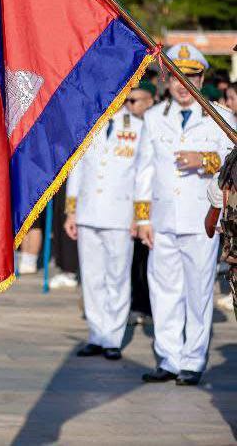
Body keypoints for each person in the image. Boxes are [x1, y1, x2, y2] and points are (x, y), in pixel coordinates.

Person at [134, 44, 235, 386]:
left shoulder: (221, 116)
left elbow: (232, 165)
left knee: (198, 290)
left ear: (202, 77)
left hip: (201, 219)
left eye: (191, 76)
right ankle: (168, 357)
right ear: (167, 79)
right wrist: (143, 217)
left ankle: (192, 360)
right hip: (163, 218)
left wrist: (204, 160)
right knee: (163, 290)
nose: (183, 84)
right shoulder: (153, 117)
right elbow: (144, 169)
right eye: (177, 76)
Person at [64, 102, 144, 361]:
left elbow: (142, 175)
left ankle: (113, 337)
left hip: (120, 214)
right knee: (92, 276)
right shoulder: (88, 123)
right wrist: (71, 210)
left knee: (117, 277)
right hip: (88, 211)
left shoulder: (138, 127)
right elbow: (76, 168)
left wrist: (139, 215)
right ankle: (97, 334)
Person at [125, 81, 157, 324]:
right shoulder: (124, 128)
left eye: (134, 101)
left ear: (150, 101)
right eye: (127, 100)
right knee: (136, 260)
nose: (129, 105)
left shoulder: (159, 126)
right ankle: (138, 303)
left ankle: (152, 305)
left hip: (160, 205)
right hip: (133, 205)